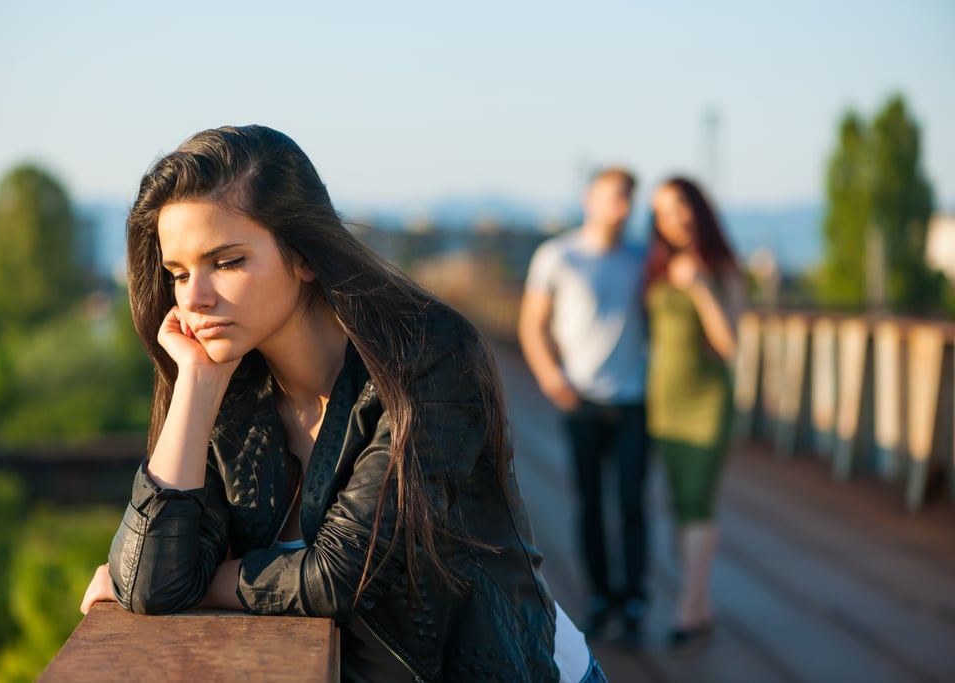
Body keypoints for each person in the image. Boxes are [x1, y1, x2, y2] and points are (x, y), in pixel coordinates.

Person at [79, 125, 608, 682]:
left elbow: (338, 575)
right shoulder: (230, 387)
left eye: (228, 261)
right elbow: (149, 580)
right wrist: (195, 382)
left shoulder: (427, 359)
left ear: (304, 254)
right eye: (179, 273)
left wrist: (197, 579)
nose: (194, 297)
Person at [518, 168, 649, 646]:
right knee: (591, 501)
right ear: (589, 198)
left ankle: (633, 599)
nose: (622, 207)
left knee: (633, 502)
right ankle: (599, 595)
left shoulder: (643, 257)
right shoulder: (558, 255)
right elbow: (532, 324)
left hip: (635, 398)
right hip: (583, 399)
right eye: (615, 197)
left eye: (629, 199)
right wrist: (553, 379)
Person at [643, 177, 746, 649]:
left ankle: (686, 608)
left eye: (680, 206)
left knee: (699, 501)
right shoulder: (656, 267)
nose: (674, 217)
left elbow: (729, 345)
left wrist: (702, 287)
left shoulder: (723, 266)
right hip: (665, 402)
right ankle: (701, 606)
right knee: (681, 504)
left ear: (697, 208)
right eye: (663, 211)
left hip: (707, 402)